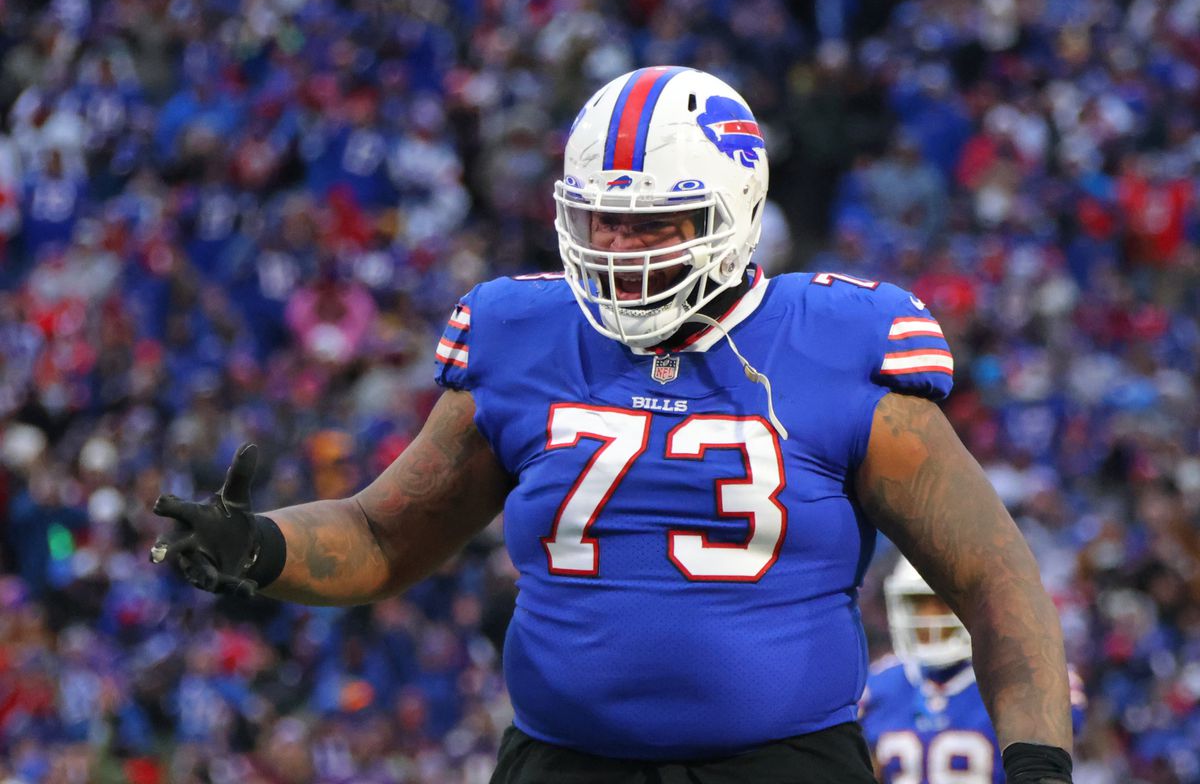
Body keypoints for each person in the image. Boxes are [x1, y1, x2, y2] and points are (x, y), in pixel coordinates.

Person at [150, 66, 1075, 783]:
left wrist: (1035, 764)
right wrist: (258, 548)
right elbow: (382, 534)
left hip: (782, 766)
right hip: (562, 764)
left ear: (734, 212)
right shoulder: (521, 336)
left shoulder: (838, 343)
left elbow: (992, 578)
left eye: (654, 224)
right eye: (600, 219)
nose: (618, 249)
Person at [861, 557, 1086, 783]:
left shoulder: (1022, 680)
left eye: (942, 604)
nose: (930, 620)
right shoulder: (878, 686)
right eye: (919, 605)